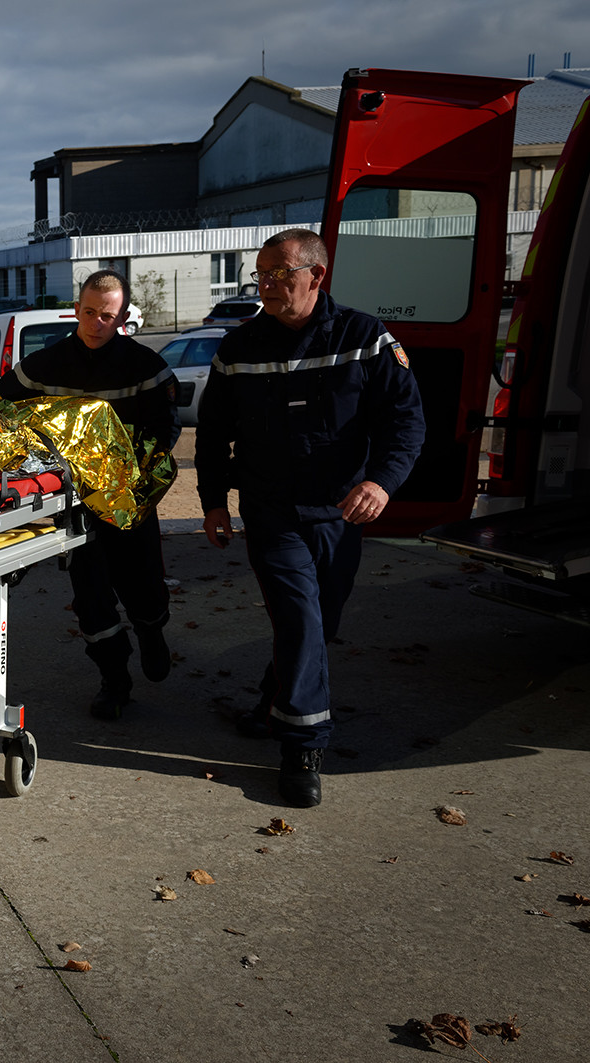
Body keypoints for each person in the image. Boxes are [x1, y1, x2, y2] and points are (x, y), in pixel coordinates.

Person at [196, 228, 425, 808]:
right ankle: (302, 748)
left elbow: (406, 422)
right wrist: (214, 501)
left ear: (315, 276)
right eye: (260, 275)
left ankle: (274, 701)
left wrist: (382, 482)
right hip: (272, 512)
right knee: (298, 616)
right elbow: (214, 434)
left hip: (341, 512)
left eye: (278, 275)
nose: (266, 286)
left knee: (320, 622)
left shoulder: (364, 337)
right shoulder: (239, 347)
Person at [0, 270, 180, 719]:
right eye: (90, 312)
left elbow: (166, 430)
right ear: (76, 310)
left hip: (129, 500)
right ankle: (114, 680)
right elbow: (0, 412)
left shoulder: (145, 367)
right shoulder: (42, 366)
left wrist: (137, 472)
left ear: (123, 318)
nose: (97, 323)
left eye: (108, 316)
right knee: (92, 599)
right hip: (74, 505)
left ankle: (152, 632)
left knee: (144, 586)